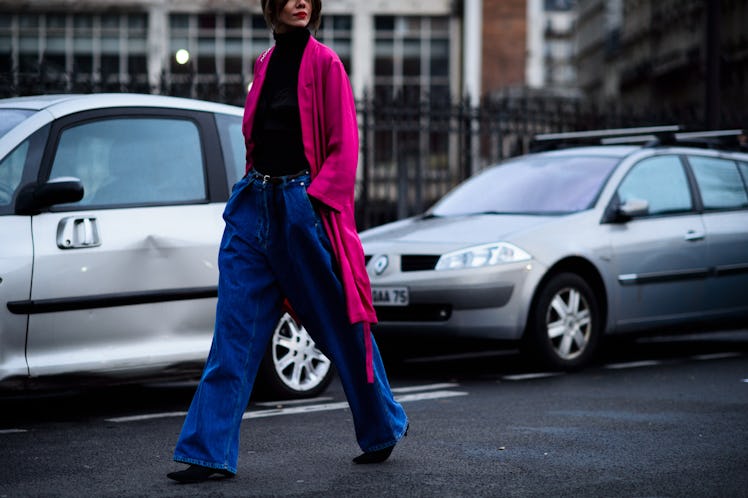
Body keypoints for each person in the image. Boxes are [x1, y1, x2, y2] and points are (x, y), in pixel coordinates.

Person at [166, 0, 408, 484]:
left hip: (302, 206)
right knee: (234, 328)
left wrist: (314, 205)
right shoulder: (264, 63)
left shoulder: (326, 64)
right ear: (272, 6)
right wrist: (252, 188)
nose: (300, 1)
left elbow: (344, 147)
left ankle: (381, 426)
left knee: (339, 322)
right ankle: (207, 451)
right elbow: (257, 138)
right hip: (254, 204)